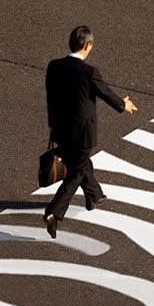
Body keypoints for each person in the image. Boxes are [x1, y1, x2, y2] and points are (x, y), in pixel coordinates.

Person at [44, 26, 137, 238]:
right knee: (76, 172)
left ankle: (94, 195)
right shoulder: (88, 72)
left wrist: (51, 124)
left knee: (82, 163)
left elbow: (51, 97)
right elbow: (106, 93)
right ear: (87, 46)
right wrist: (123, 105)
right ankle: (54, 212)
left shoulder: (54, 66)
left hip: (60, 129)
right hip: (83, 133)